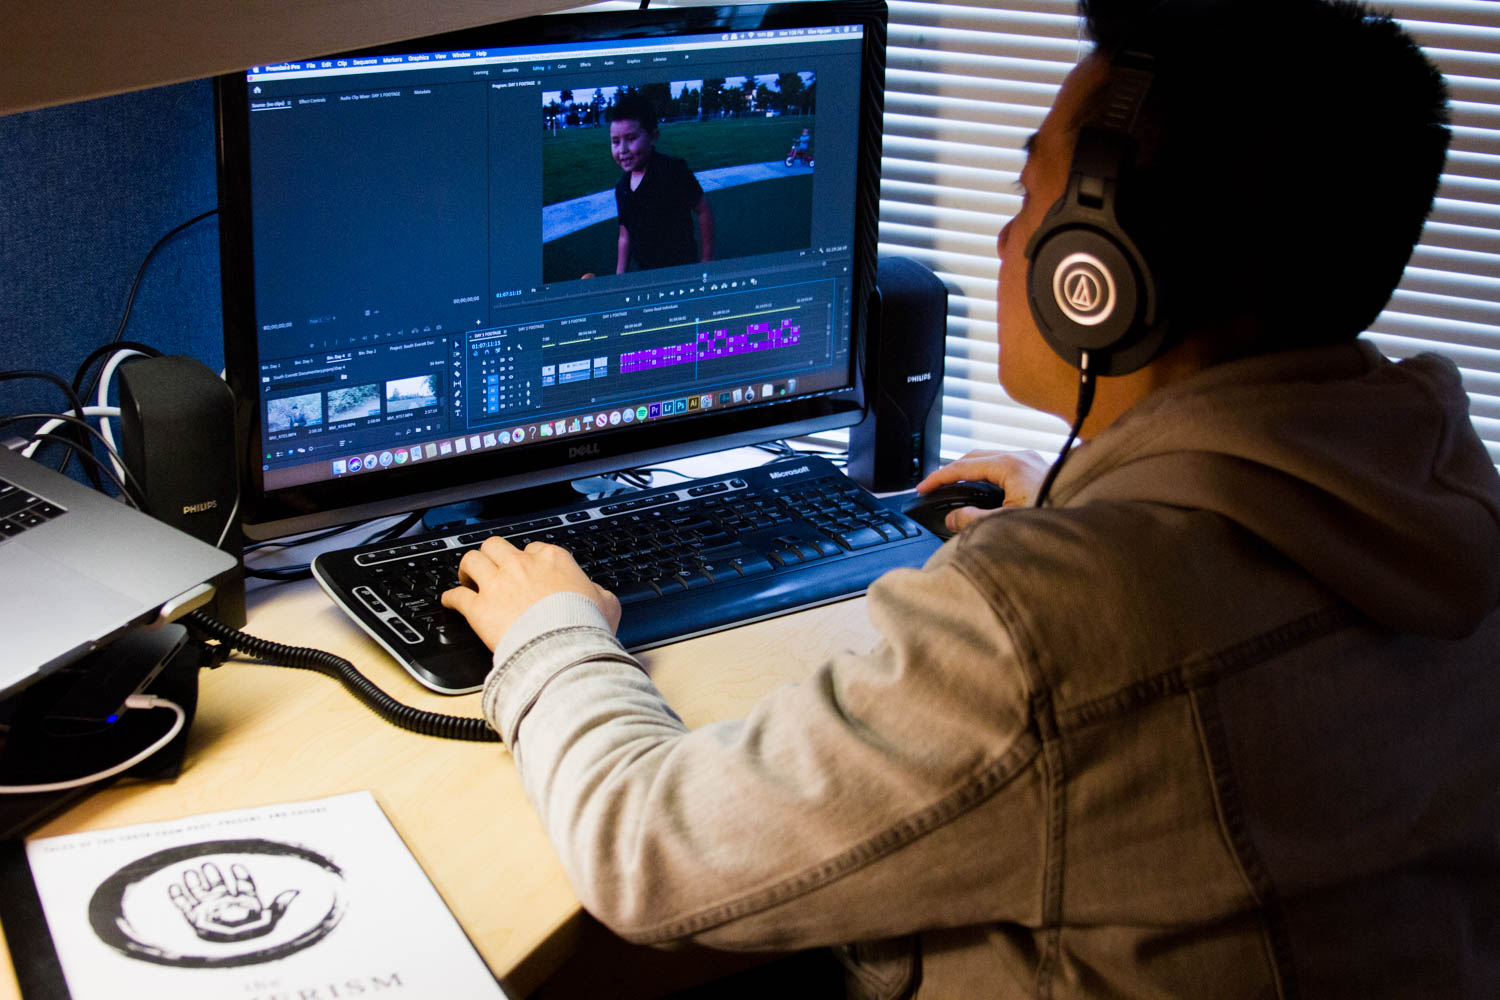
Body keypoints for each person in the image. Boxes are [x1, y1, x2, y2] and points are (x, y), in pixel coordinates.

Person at [443, 1, 1500, 995]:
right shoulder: (1440, 508)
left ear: (1096, 274)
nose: (1007, 242)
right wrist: (1087, 511)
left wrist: (552, 633)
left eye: (1027, 197)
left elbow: (648, 852)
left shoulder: (1056, 622)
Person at [608, 93, 715, 273]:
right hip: (648, 273)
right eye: (616, 142)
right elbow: (624, 236)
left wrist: (707, 259)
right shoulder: (622, 189)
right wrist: (620, 276)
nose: (622, 150)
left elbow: (703, 210)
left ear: (653, 137)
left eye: (631, 139)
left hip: (682, 269)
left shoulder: (673, 171)